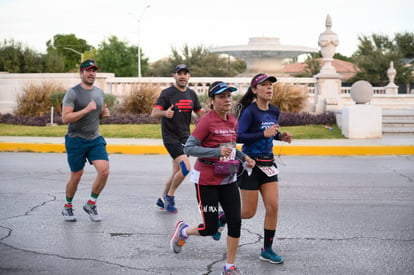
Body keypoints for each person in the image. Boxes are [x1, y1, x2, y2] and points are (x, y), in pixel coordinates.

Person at [170, 82, 255, 275]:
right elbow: (189, 148)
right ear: (212, 101)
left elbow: (231, 147)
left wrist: (244, 157)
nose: (227, 100)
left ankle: (229, 266)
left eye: (228, 96)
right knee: (210, 227)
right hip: (206, 181)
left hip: (228, 179)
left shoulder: (232, 120)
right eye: (222, 96)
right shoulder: (206, 121)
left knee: (235, 221)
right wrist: (216, 151)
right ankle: (183, 231)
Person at [233, 73, 292, 264]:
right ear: (254, 90)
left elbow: (270, 133)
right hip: (250, 164)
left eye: (271, 85)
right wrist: (262, 133)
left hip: (268, 164)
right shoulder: (250, 112)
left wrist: (279, 136)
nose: (269, 88)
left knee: (273, 207)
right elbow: (238, 137)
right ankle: (223, 217)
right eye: (264, 85)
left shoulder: (274, 111)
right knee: (248, 213)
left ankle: (267, 249)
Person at [61, 59, 111, 222]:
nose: (91, 73)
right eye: (88, 70)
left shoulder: (99, 92)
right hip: (76, 139)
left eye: (94, 71)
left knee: (104, 171)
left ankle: (91, 203)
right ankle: (68, 206)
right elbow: (65, 118)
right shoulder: (73, 93)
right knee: (77, 175)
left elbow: (98, 114)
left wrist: (104, 114)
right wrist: (86, 109)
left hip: (94, 138)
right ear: (81, 73)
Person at [151, 64, 204, 213]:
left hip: (185, 137)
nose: (182, 76)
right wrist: (164, 114)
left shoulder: (192, 94)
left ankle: (162, 200)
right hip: (170, 137)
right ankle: (170, 197)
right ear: (174, 76)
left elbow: (201, 115)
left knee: (176, 171)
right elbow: (154, 113)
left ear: (189, 76)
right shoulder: (167, 93)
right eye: (179, 73)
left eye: (185, 73)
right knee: (185, 168)